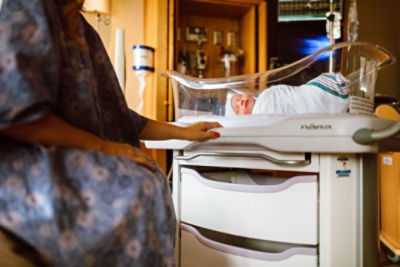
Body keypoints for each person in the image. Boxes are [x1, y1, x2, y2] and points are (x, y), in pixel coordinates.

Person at [0, 0, 221, 266]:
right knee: (138, 186)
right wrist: (107, 147)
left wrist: (183, 132)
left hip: (73, 155)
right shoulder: (32, 5)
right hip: (25, 165)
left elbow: (116, 114)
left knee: (150, 176)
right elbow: (17, 114)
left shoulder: (83, 29)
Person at [226, 73, 350, 116]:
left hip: (309, 94)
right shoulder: (258, 120)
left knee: (309, 95)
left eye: (240, 97)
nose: (241, 101)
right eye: (237, 108)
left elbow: (289, 95)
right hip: (308, 114)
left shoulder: (265, 96)